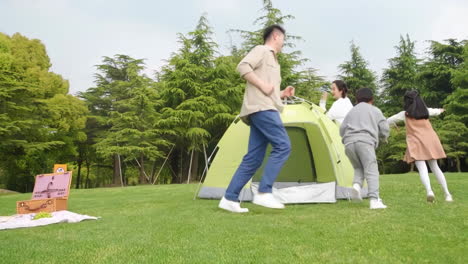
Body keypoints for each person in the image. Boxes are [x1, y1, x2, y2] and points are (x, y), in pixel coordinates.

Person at [218, 24, 295, 213]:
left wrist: (282, 93)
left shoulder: (275, 62)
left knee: (253, 158)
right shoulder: (262, 50)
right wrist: (262, 85)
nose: (284, 43)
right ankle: (264, 192)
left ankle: (229, 198)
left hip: (263, 108)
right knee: (283, 145)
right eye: (283, 39)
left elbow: (270, 89)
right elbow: (242, 66)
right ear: (276, 36)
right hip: (262, 109)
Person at [387, 90, 453, 202]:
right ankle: (447, 194)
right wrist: (441, 110)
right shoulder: (425, 111)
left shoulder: (404, 114)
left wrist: (392, 125)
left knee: (422, 168)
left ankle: (429, 191)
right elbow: (436, 111)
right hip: (430, 140)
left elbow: (388, 120)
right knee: (435, 167)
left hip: (415, 143)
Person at [340, 88, 390, 209]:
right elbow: (384, 127)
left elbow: (342, 129)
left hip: (349, 144)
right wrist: (384, 137)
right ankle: (374, 200)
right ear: (372, 99)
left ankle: (356, 187)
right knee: (371, 170)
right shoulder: (374, 110)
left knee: (358, 167)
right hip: (365, 142)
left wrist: (348, 138)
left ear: (356, 100)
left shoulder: (351, 111)